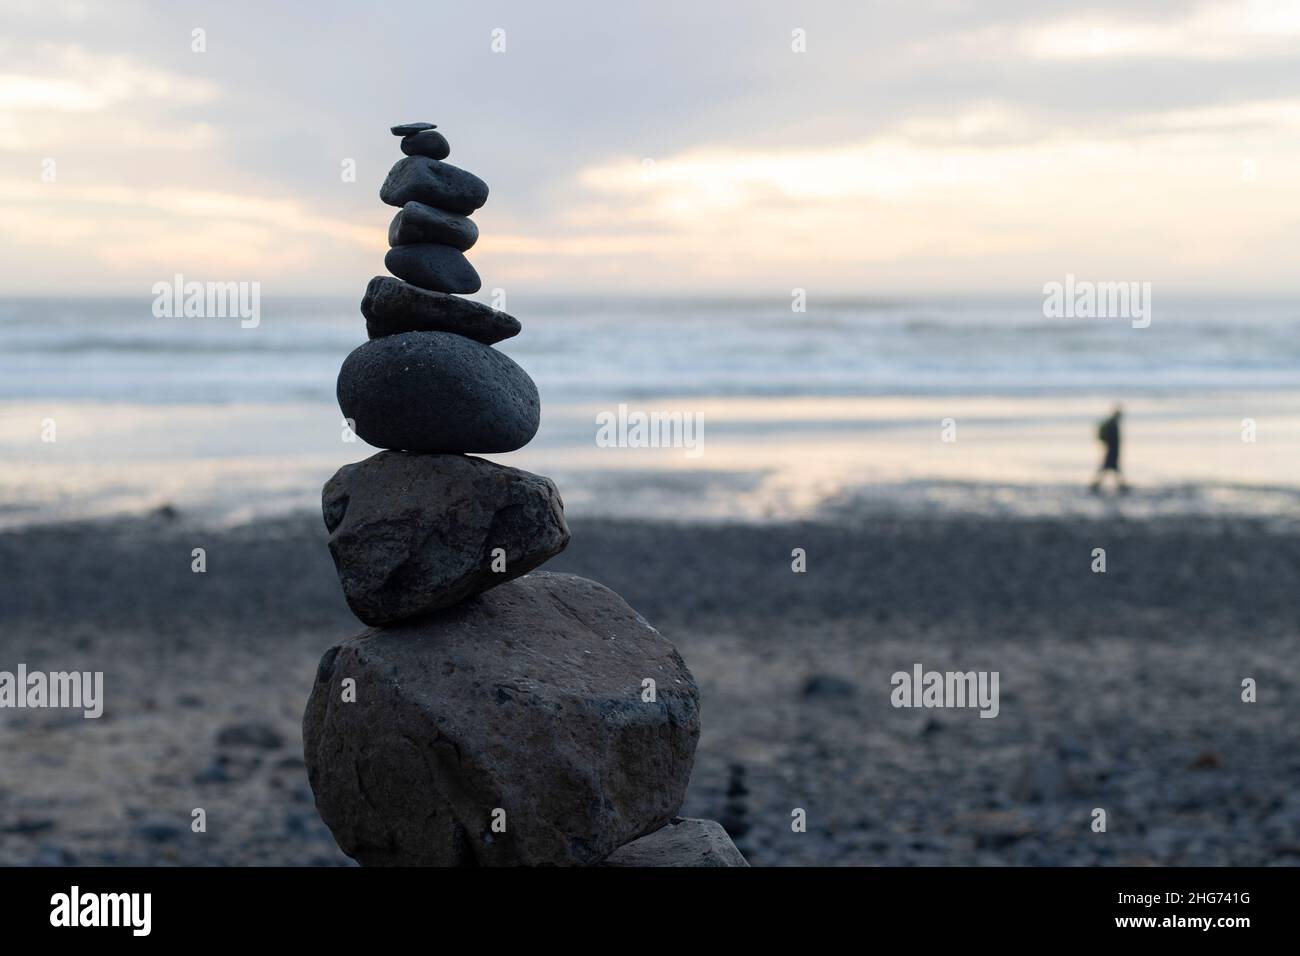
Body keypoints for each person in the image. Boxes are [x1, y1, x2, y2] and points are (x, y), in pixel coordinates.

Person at [1090, 404, 1128, 494]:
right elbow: (1114, 440)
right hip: (1111, 451)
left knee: (1110, 469)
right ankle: (1096, 485)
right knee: (1108, 469)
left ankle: (1120, 485)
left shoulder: (1112, 424)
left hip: (1111, 450)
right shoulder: (1112, 425)